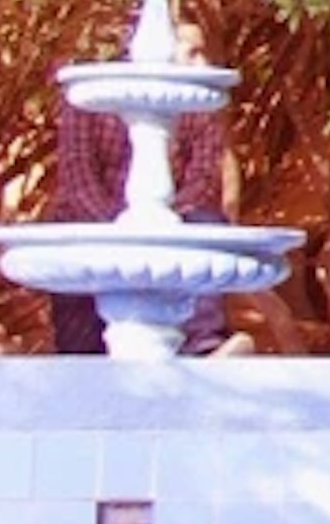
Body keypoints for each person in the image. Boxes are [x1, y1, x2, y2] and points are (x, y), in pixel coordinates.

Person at [47, 100, 233, 355]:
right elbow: (77, 176)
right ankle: (83, 362)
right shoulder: (90, 97)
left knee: (207, 227)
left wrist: (164, 221)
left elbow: (204, 177)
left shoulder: (192, 100)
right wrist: (122, 228)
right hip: (96, 221)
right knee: (70, 242)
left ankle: (204, 346)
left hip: (168, 221)